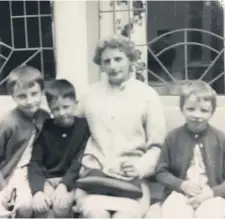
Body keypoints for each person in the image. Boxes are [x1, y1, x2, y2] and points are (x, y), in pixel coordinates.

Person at [74, 34, 166, 218]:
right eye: (106, 61)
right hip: (96, 179)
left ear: (130, 60)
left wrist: (139, 168)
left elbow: (157, 146)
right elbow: (73, 136)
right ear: (100, 65)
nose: (113, 66)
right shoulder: (90, 95)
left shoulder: (147, 95)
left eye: (118, 59)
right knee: (96, 215)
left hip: (131, 182)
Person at [154, 80, 225, 217]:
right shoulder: (173, 137)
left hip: (210, 194)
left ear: (212, 112)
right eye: (191, 109)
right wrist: (181, 184)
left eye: (204, 110)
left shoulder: (220, 139)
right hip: (179, 193)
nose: (197, 115)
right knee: (175, 212)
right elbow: (160, 172)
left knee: (215, 212)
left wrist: (212, 193)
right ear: (182, 108)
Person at [28, 79, 90, 218]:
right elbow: (35, 162)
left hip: (72, 180)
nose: (61, 113)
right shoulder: (46, 127)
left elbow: (79, 162)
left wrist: (64, 185)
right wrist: (38, 190)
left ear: (76, 103)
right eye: (56, 109)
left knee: (61, 205)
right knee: (42, 206)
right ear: (49, 108)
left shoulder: (83, 127)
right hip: (48, 179)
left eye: (66, 107)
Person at [0, 65, 49, 217]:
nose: (29, 101)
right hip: (10, 174)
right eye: (22, 96)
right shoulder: (9, 122)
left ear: (42, 92)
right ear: (13, 97)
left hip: (34, 172)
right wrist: (3, 188)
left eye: (34, 94)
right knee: (17, 207)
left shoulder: (44, 117)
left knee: (36, 206)